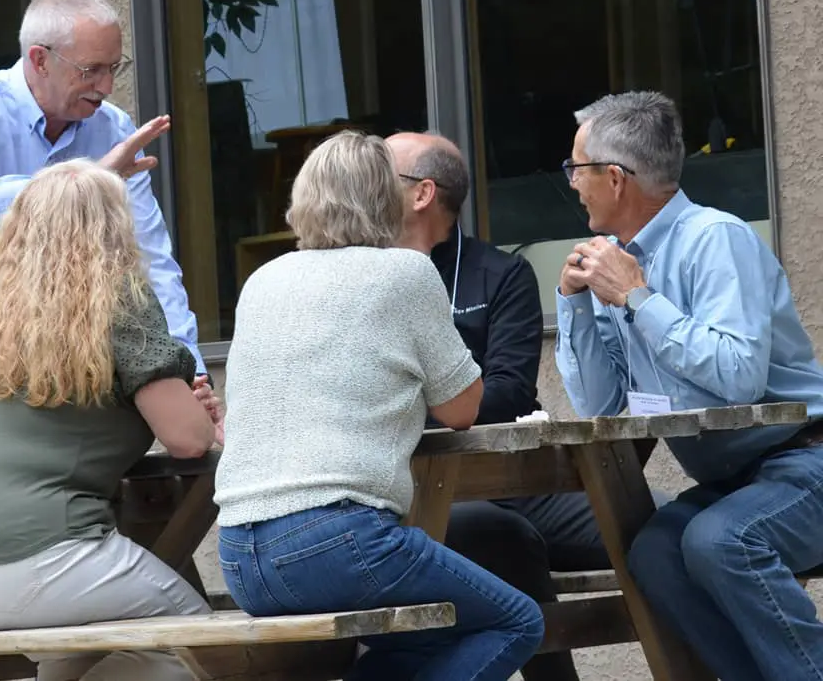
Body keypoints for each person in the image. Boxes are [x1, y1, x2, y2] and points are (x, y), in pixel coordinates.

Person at [214, 130, 544, 681]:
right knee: (515, 621)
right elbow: (464, 409)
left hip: (239, 556)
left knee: (419, 642)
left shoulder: (262, 280)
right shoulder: (406, 273)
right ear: (387, 200)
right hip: (338, 541)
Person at [0, 160, 222, 681]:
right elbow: (188, 440)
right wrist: (192, 411)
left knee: (84, 653)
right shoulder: (119, 304)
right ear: (117, 229)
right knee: (195, 647)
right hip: (28, 558)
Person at [556, 91, 823, 680]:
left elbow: (738, 378)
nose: (572, 183)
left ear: (616, 179)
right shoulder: (615, 260)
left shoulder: (715, 238)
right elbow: (600, 405)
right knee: (652, 554)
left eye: (577, 168)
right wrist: (575, 305)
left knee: (720, 542)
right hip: (735, 479)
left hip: (807, 459)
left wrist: (638, 298)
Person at [0, 0, 208, 432]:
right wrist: (91, 178)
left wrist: (191, 368)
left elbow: (151, 261)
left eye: (114, 68)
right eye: (91, 70)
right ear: (40, 59)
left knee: (39, 489)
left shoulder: (112, 127)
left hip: (52, 347)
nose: (105, 86)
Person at [388, 131, 609, 680]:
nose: (363, 184)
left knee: (660, 533)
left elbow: (510, 392)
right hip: (409, 491)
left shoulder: (502, 273)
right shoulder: (361, 275)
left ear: (422, 194)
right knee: (497, 537)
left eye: (379, 173)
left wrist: (416, 403)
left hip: (512, 480)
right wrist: (453, 396)